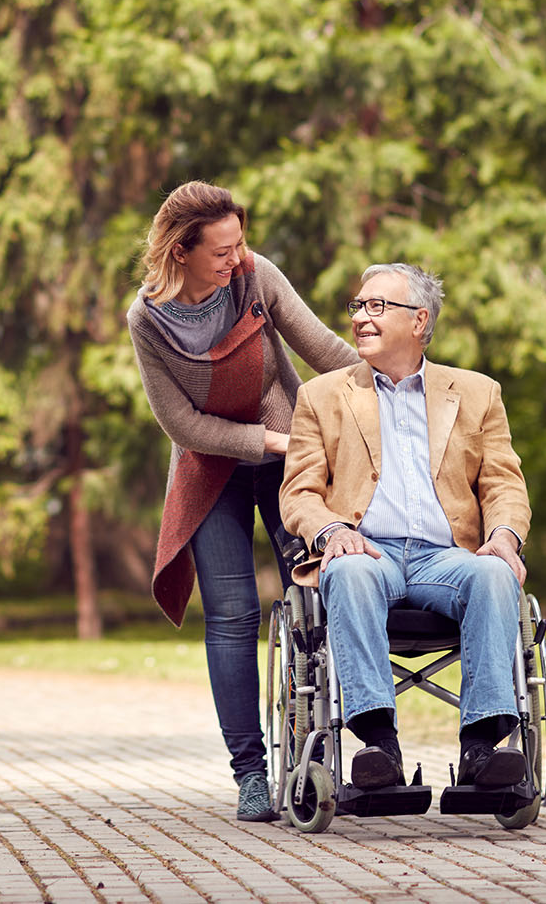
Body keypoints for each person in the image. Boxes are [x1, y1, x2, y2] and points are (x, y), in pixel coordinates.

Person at [127, 181, 357, 821]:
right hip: (213, 466)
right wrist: (272, 441)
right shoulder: (147, 321)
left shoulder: (256, 278)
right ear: (180, 252)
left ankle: (321, 751)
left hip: (287, 452)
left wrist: (401, 385)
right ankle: (251, 775)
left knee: (314, 593)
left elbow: (325, 352)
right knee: (231, 615)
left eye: (238, 244)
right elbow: (182, 425)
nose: (235, 258)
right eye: (220, 251)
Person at [279, 262, 532, 792]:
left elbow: (504, 485)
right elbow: (299, 492)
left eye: (377, 306)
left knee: (494, 575)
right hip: (367, 551)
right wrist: (329, 533)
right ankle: (377, 746)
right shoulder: (322, 396)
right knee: (348, 571)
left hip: (447, 557)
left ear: (419, 321)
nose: (361, 318)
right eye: (358, 307)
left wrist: (504, 537)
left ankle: (483, 749)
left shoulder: (477, 393)